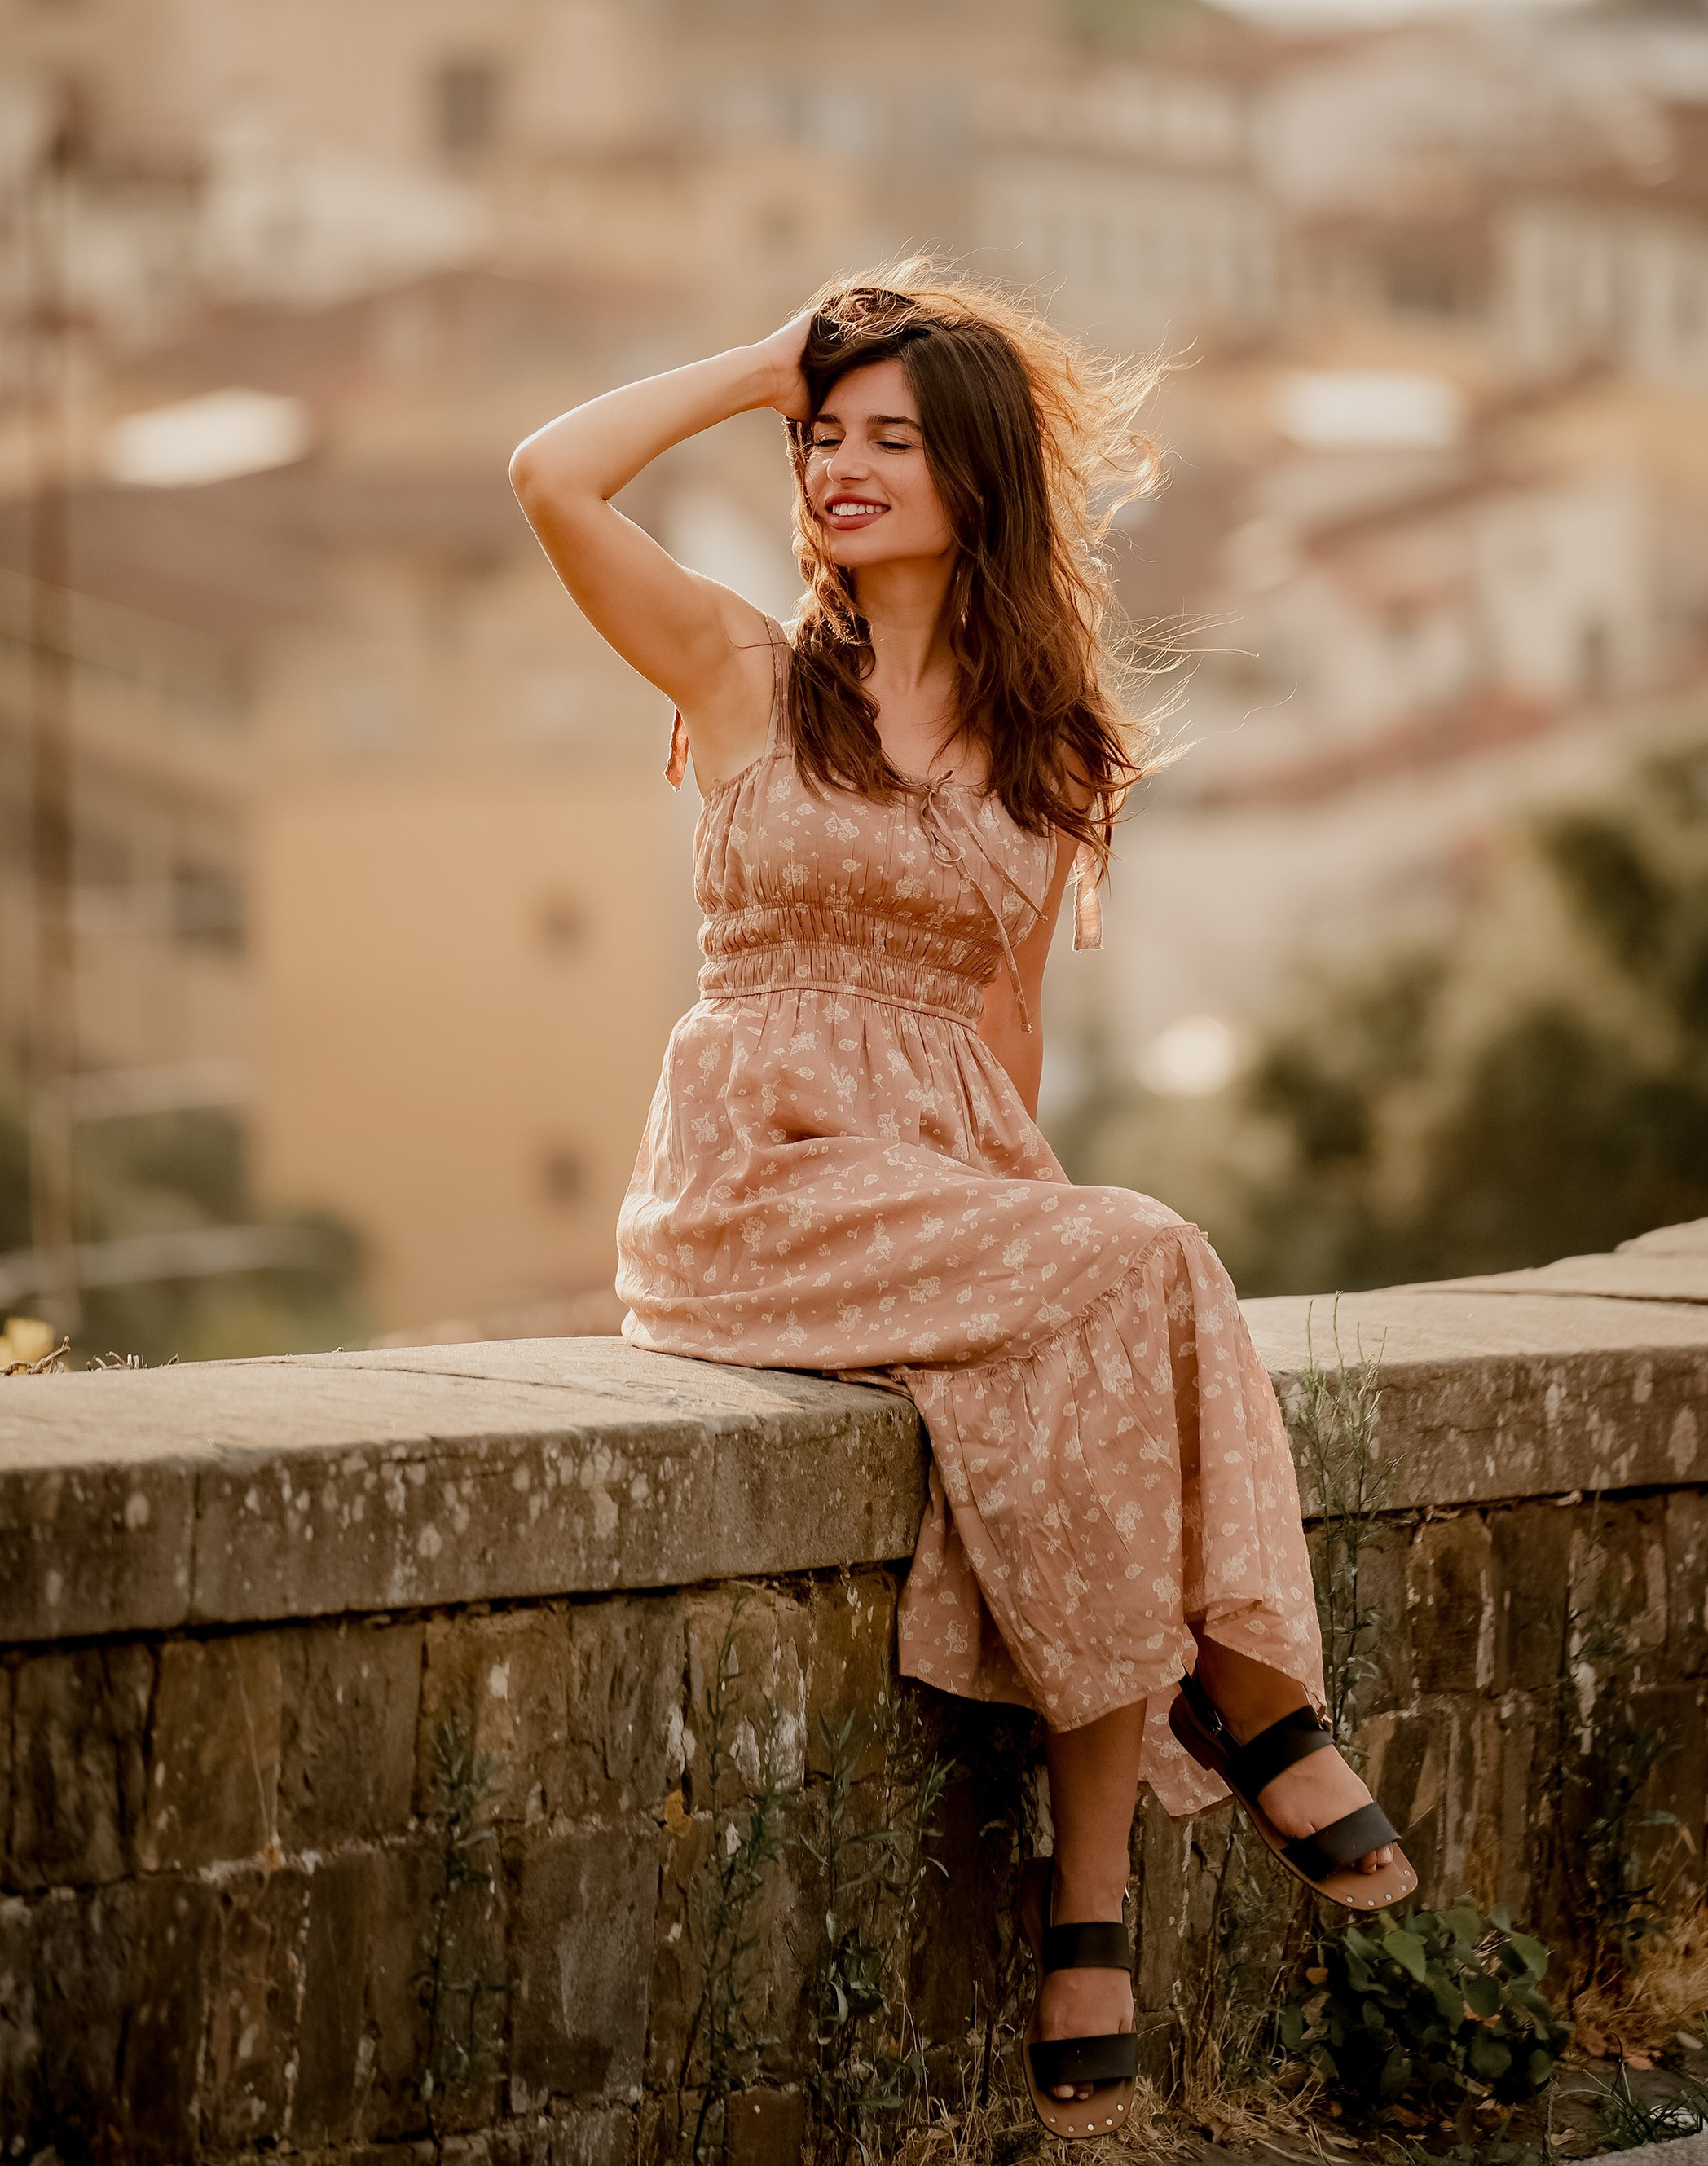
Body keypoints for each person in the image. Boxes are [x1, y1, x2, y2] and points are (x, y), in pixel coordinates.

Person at [511, 271, 1414, 2141]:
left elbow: (1004, 1061)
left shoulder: (1042, 746)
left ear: (975, 480)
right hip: (752, 1191)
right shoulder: (741, 671)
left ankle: (1086, 1923)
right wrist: (762, 362)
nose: (840, 467)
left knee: (1096, 1342)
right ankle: (1261, 1713)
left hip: (937, 1196)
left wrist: (1039, 1262)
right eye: (822, 439)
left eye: (890, 440)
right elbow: (547, 475)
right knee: (1148, 1254)